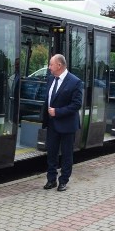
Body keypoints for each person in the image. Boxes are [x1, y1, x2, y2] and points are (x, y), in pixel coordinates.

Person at [42, 54, 83, 192]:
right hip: (52, 124)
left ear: (59, 65)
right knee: (51, 153)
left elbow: (76, 105)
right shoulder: (50, 79)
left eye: (51, 64)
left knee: (66, 154)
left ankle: (63, 181)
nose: (49, 67)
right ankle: (51, 179)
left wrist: (57, 112)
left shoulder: (75, 82)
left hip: (67, 125)